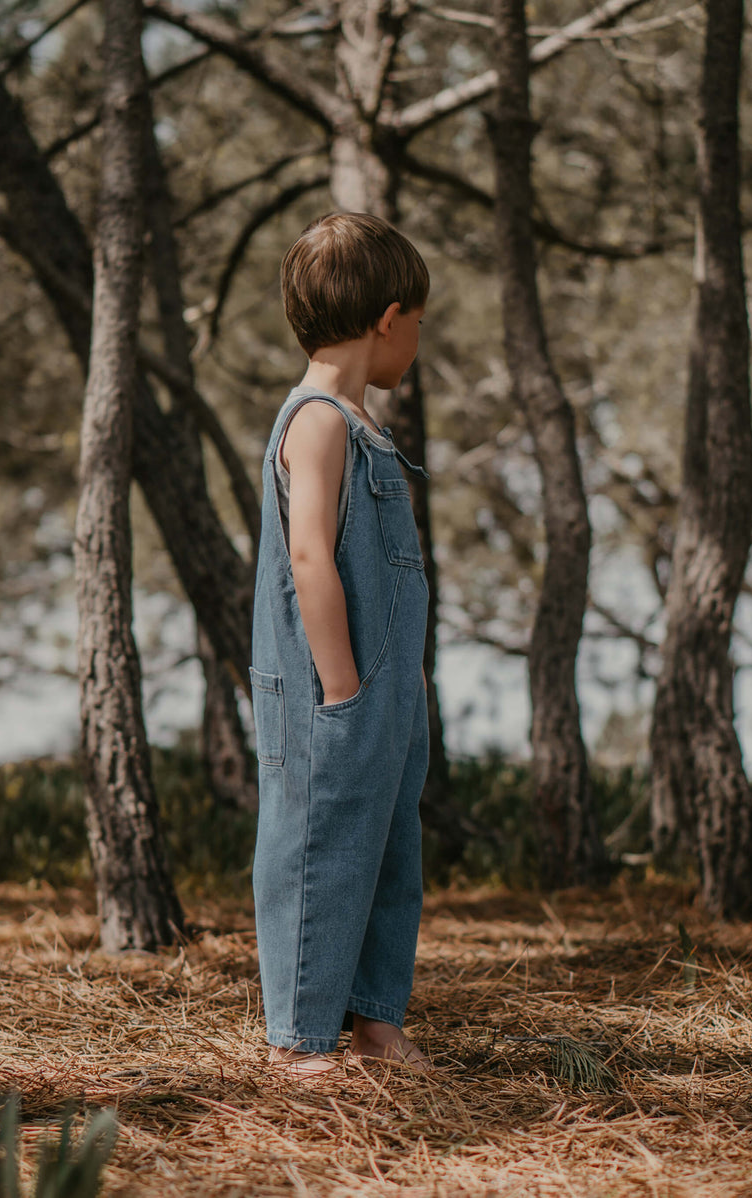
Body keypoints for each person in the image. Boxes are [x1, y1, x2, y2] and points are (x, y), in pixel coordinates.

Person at [249, 212, 432, 1078]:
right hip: (334, 687)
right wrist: (343, 684)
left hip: (387, 690)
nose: (418, 341)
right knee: (320, 849)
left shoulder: (364, 427)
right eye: (421, 323)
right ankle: (300, 1039)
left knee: (388, 847)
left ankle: (376, 1024)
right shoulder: (318, 421)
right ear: (389, 318)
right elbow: (312, 554)